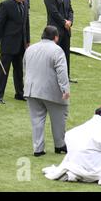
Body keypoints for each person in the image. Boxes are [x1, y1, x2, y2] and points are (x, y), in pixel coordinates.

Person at [42, 105, 101, 185]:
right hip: (95, 172)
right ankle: (75, 173)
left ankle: (73, 173)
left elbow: (68, 135)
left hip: (75, 163)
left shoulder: (86, 125)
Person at [23, 26, 70, 156]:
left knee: (36, 120)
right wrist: (65, 89)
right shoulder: (57, 50)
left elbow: (25, 68)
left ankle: (38, 149)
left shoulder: (30, 49)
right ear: (56, 37)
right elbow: (62, 72)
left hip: (31, 90)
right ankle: (59, 145)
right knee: (59, 119)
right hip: (51, 91)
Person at [0, 0, 30, 104]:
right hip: (8, 43)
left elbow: (26, 24)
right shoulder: (5, 5)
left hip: (21, 44)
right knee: (3, 70)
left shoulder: (25, 3)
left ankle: (20, 93)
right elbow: (0, 24)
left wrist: (27, 40)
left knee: (19, 70)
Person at [44, 0, 76, 83]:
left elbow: (71, 10)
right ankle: (52, 77)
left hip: (66, 30)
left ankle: (66, 76)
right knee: (54, 55)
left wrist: (70, 22)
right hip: (55, 30)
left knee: (65, 54)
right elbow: (53, 12)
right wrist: (64, 22)